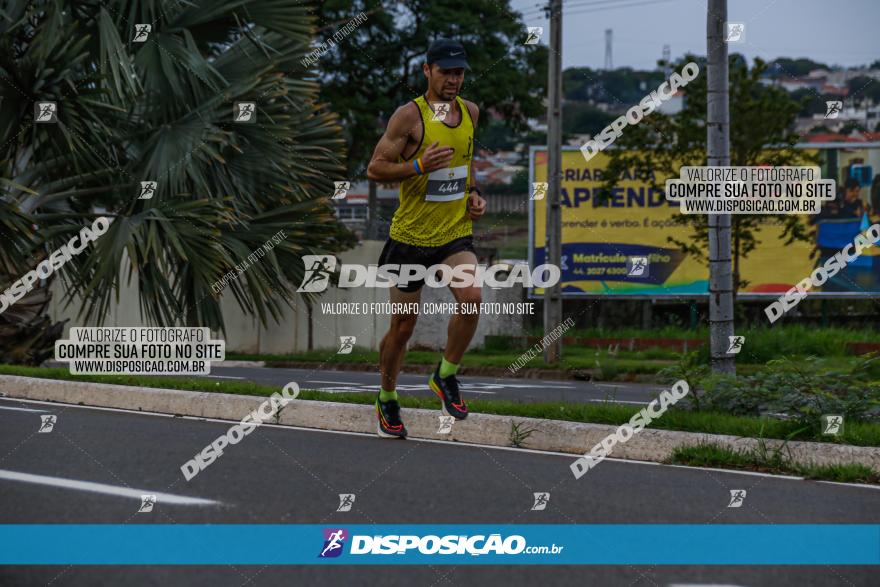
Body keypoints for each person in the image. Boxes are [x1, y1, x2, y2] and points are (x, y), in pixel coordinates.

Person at [365, 39, 487, 438]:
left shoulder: (470, 112)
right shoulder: (409, 117)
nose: (453, 79)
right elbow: (375, 169)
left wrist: (474, 195)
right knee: (403, 326)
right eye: (446, 72)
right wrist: (417, 164)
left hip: (453, 233)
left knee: (471, 299)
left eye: (459, 72)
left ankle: (445, 375)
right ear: (427, 71)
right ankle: (387, 397)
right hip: (411, 236)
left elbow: (465, 166)